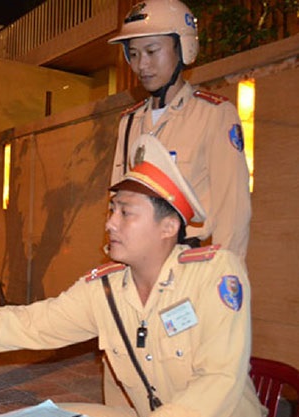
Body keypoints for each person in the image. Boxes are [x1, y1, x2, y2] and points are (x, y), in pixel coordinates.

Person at [0, 134, 273, 417]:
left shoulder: (216, 273)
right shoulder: (105, 289)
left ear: (168, 226)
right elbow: (29, 324)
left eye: (125, 212)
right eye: (111, 210)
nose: (109, 223)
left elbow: (217, 383)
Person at [108, 0, 251, 260]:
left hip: (187, 267)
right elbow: (118, 204)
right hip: (137, 271)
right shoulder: (128, 122)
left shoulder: (214, 115)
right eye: (134, 54)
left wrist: (222, 282)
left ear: (184, 47)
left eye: (152, 51)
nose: (142, 65)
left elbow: (233, 212)